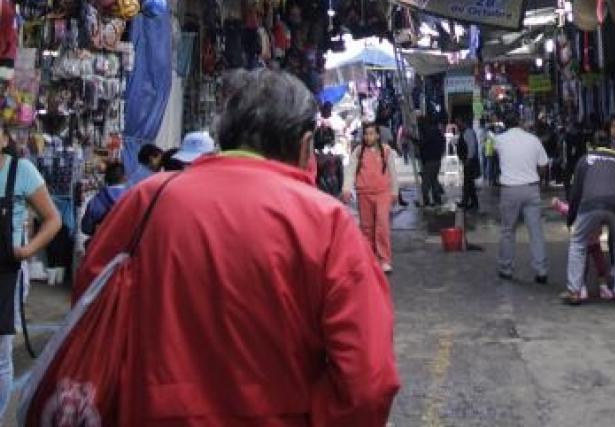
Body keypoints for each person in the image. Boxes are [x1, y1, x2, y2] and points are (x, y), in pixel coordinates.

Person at [76, 69, 400, 425]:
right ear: (306, 145)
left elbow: (88, 306)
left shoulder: (145, 202)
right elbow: (368, 383)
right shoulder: (327, 224)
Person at [0, 127, 61, 419]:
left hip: (5, 272)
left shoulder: (20, 170)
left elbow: (52, 220)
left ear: (3, 139)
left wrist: (26, 251)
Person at [563, 128, 615, 307]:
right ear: (609, 144)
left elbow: (576, 192)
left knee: (578, 242)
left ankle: (574, 291)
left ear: (591, 145)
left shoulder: (584, 160)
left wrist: (571, 218)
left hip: (590, 205)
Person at [493, 112, 549, 284]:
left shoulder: (499, 140)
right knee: (536, 231)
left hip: (510, 190)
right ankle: (541, 271)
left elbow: (496, 157)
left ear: (506, 125)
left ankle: (506, 268)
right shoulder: (533, 140)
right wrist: (535, 178)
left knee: (508, 231)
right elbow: (544, 165)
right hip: (531, 188)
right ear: (520, 122)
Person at [344, 121, 399, 274]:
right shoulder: (358, 152)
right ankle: (370, 259)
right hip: (364, 194)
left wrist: (395, 192)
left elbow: (393, 174)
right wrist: (346, 189)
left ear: (377, 135)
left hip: (383, 193)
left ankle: (384, 260)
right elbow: (350, 172)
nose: (369, 137)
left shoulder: (386, 151)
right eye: (366, 134)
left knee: (382, 226)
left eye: (372, 134)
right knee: (367, 229)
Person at [81, 161, 128, 238]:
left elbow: (85, 228)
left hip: (101, 245)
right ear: (124, 178)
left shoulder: (95, 201)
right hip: (123, 247)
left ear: (106, 179)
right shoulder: (131, 199)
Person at [416, 114, 445, 207]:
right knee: (433, 180)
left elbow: (421, 143)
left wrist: (411, 138)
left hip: (430, 160)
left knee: (427, 181)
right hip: (436, 159)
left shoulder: (429, 132)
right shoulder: (436, 131)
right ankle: (437, 199)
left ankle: (425, 200)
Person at [457, 116, 480, 211]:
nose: (458, 125)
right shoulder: (464, 132)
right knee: (469, 184)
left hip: (469, 162)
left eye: (458, 122)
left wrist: (468, 159)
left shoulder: (468, 132)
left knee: (468, 183)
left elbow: (471, 147)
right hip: (467, 161)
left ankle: (466, 202)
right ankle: (473, 203)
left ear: (463, 122)